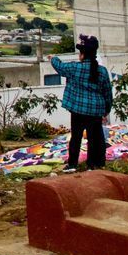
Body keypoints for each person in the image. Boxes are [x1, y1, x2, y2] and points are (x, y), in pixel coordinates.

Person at [51, 33, 113, 171]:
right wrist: (106, 109)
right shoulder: (102, 71)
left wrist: (53, 58)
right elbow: (107, 92)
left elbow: (59, 67)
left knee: (76, 137)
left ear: (82, 54)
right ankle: (94, 164)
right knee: (95, 138)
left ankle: (72, 164)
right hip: (95, 111)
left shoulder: (74, 68)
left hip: (77, 109)